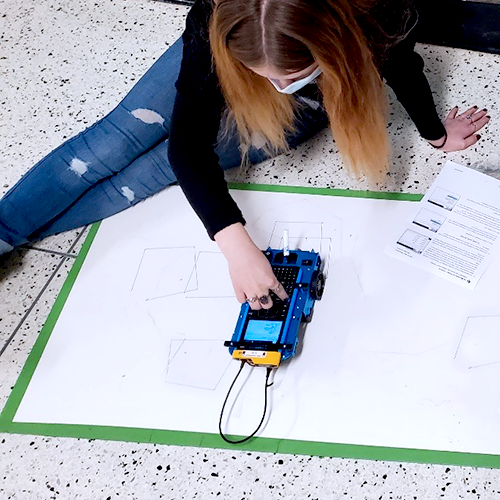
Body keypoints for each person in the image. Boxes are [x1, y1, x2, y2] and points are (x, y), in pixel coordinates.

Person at [0, 0, 490, 310]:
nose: (274, 87)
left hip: (313, 90)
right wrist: (236, 246)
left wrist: (435, 134)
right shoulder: (222, 17)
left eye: (288, 75)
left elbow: (402, 65)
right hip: (225, 45)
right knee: (112, 142)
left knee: (146, 175)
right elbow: (187, 143)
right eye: (262, 74)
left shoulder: (382, 14)